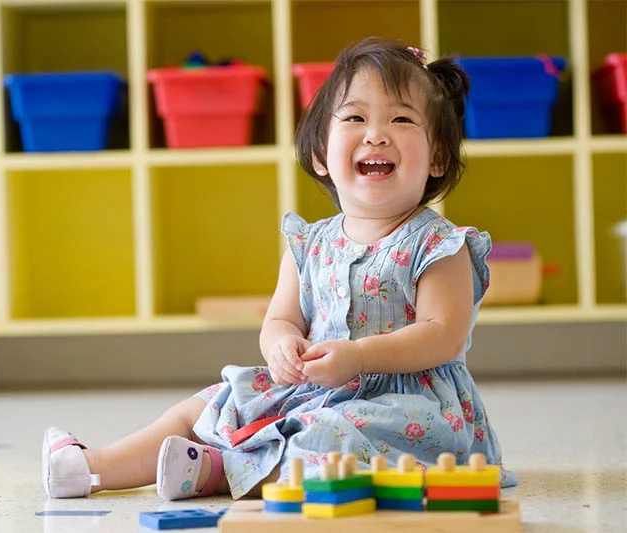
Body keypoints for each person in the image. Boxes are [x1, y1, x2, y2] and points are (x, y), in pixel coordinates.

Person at [41, 37, 518, 500]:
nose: (376, 133)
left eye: (401, 118)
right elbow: (281, 319)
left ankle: (213, 472)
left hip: (402, 404)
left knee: (332, 439)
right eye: (354, 117)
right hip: (308, 389)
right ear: (319, 155)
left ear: (436, 156)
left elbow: (444, 334)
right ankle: (92, 466)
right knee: (211, 404)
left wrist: (360, 358)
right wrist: (281, 347)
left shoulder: (439, 244)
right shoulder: (309, 243)